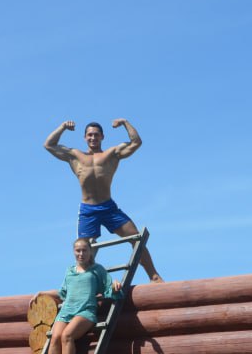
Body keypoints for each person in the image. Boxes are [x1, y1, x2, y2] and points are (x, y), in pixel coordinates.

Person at [43, 118, 163, 282]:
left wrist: (125, 123)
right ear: (85, 137)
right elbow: (49, 145)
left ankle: (154, 276)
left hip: (109, 208)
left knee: (136, 238)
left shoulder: (111, 154)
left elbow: (136, 142)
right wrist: (63, 127)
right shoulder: (75, 156)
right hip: (88, 210)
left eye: (96, 135)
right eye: (90, 135)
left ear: (102, 137)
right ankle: (86, 285)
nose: (93, 138)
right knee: (84, 250)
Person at [32, 237, 123, 354]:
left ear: (90, 251)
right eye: (78, 250)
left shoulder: (97, 270)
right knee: (55, 337)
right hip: (67, 310)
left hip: (85, 311)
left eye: (84, 250)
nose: (81, 253)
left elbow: (109, 288)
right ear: (74, 252)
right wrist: (42, 292)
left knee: (67, 336)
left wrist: (115, 285)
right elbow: (62, 293)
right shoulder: (70, 271)